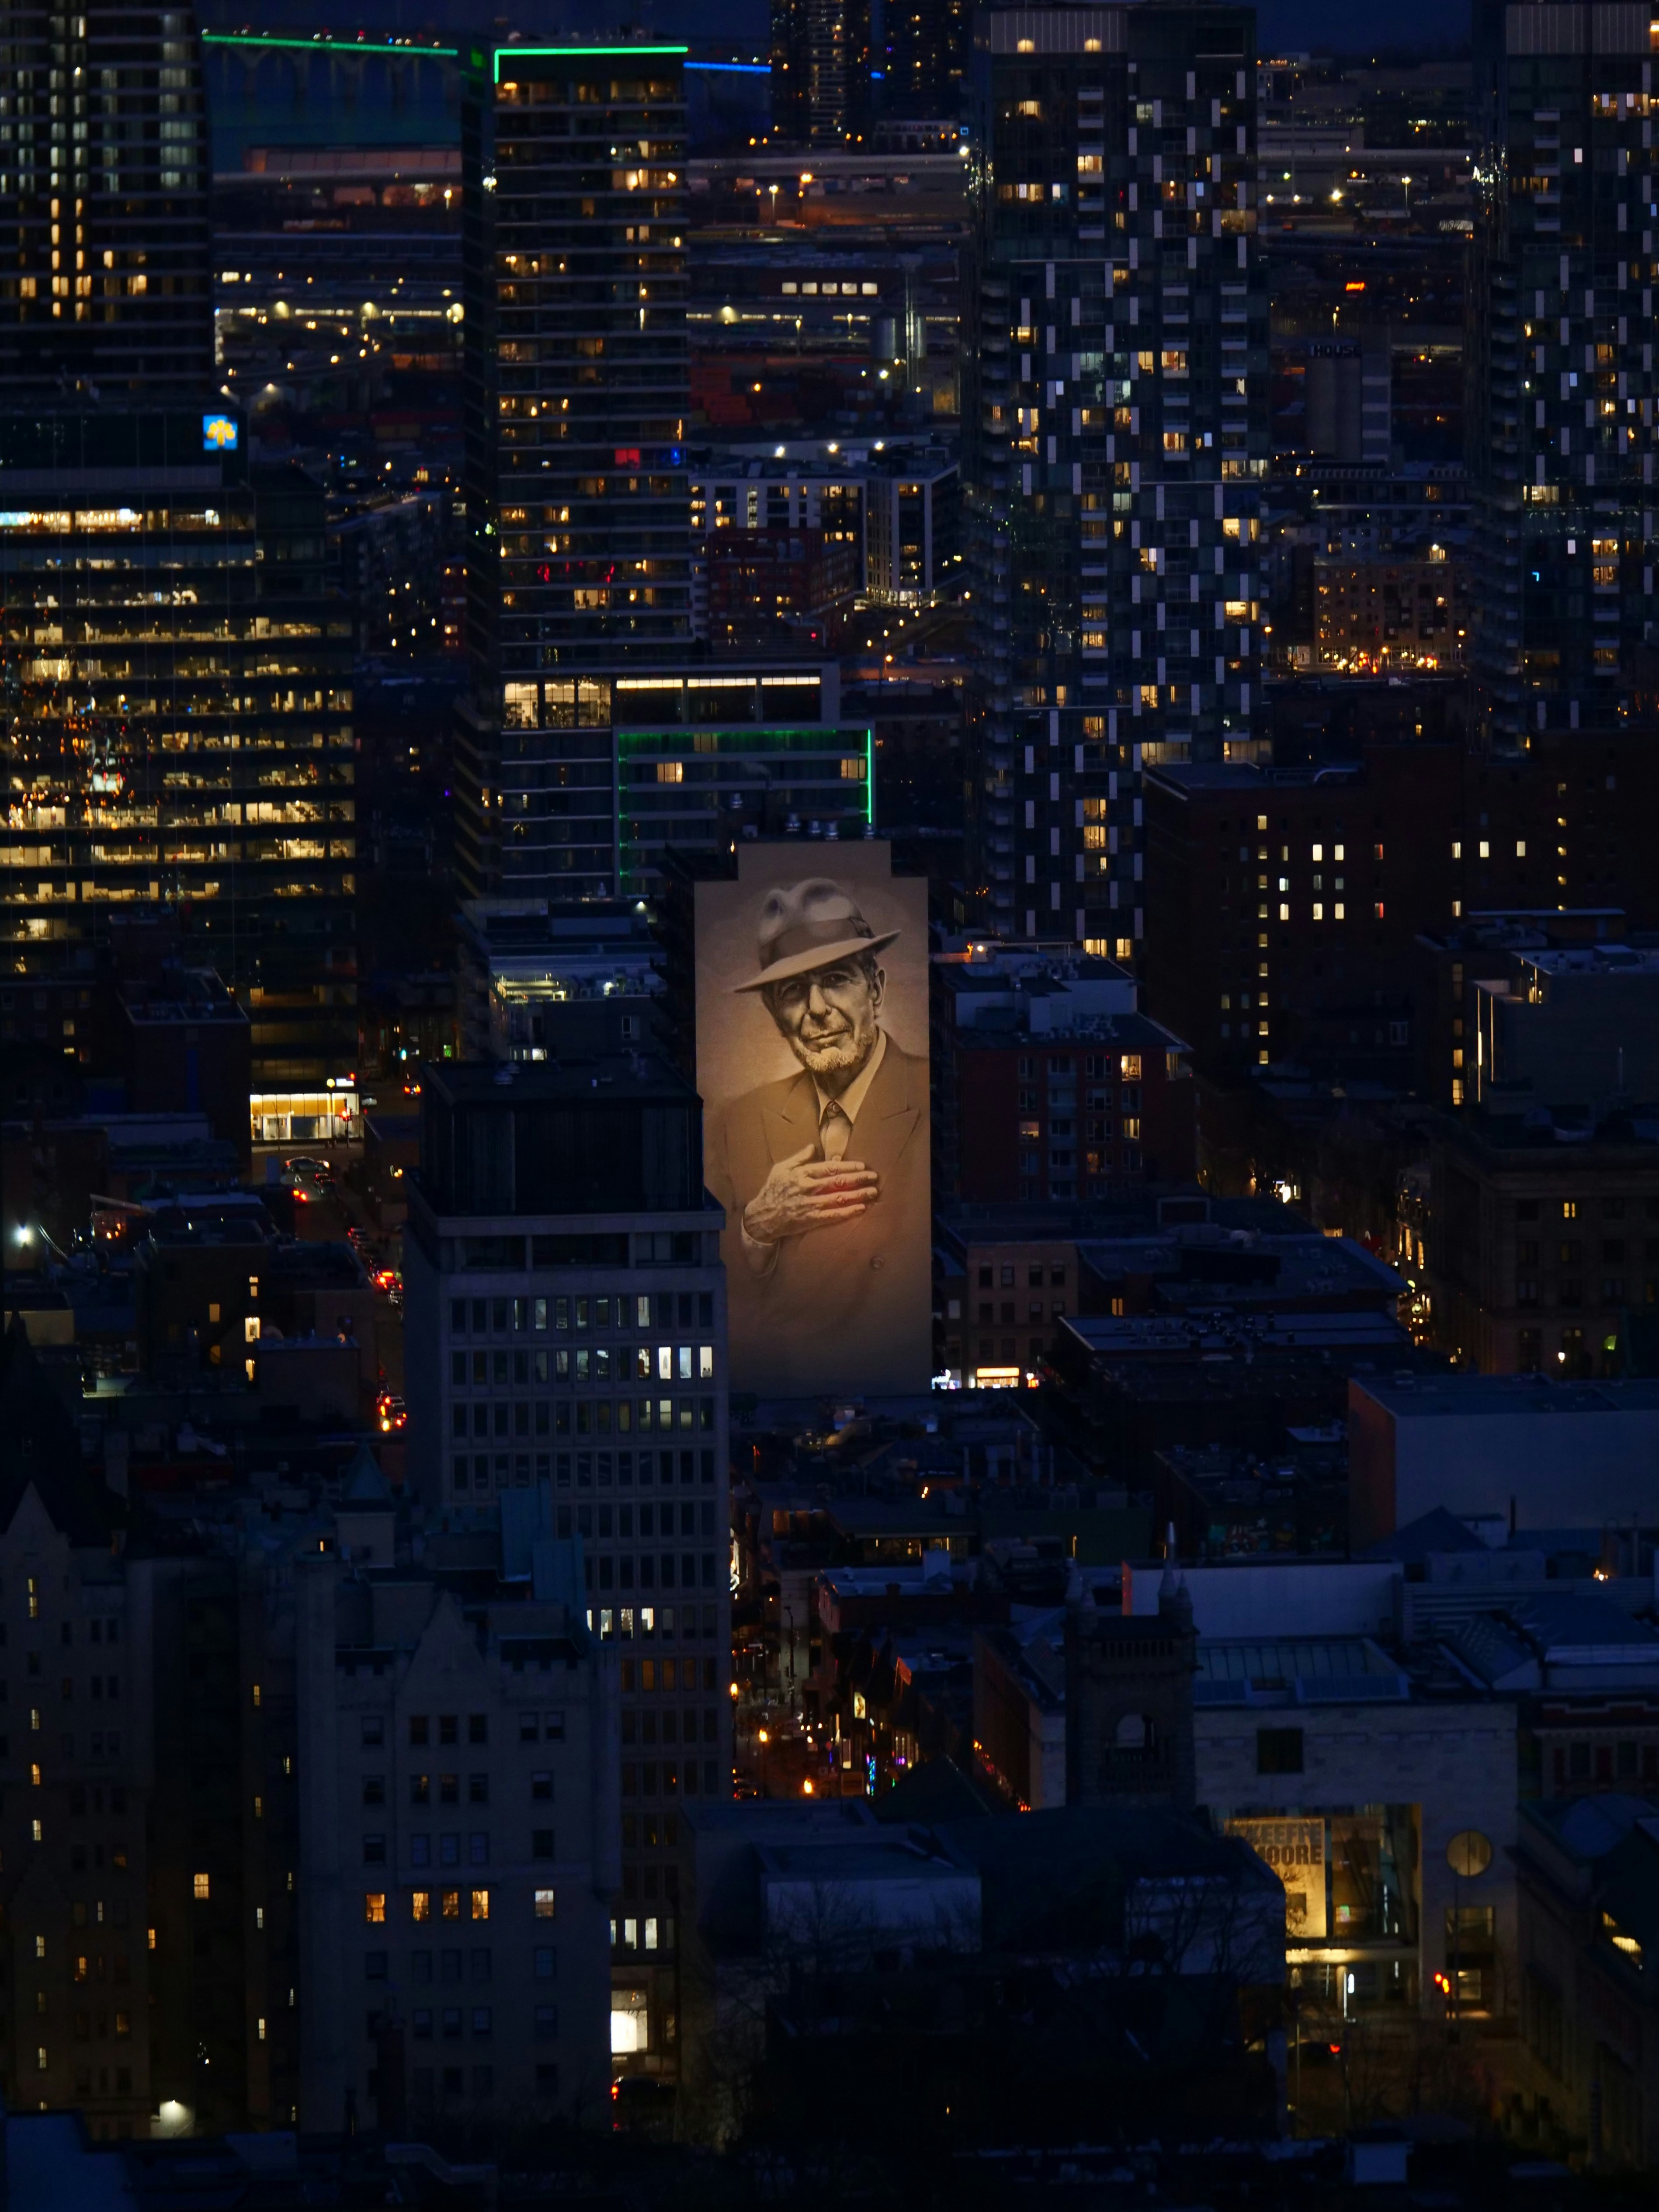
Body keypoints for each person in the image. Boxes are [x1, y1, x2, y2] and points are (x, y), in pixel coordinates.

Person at [705, 877, 930, 1394]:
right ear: (773, 1014)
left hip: (892, 1388)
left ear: (875, 988)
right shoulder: (739, 1119)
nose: (817, 1008)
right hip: (784, 1388)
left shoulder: (929, 1090)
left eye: (836, 979)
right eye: (791, 991)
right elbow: (719, 1286)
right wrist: (756, 1230)